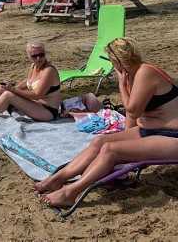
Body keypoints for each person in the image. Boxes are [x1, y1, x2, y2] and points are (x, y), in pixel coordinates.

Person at [36, 37, 178, 209]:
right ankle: (59, 179)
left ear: (117, 60)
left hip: (171, 136)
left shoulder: (145, 72)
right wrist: (125, 138)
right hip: (151, 131)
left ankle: (71, 192)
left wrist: (121, 85)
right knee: (100, 141)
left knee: (112, 150)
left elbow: (133, 110)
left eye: (111, 62)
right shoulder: (134, 75)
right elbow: (132, 118)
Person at [0, 41, 61, 124]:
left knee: (8, 95)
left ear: (45, 53)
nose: (38, 58)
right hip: (36, 104)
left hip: (47, 111)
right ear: (29, 56)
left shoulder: (49, 71)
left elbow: (37, 95)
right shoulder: (33, 66)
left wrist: (13, 89)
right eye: (34, 56)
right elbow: (27, 82)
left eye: (41, 55)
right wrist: (9, 88)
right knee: (2, 87)